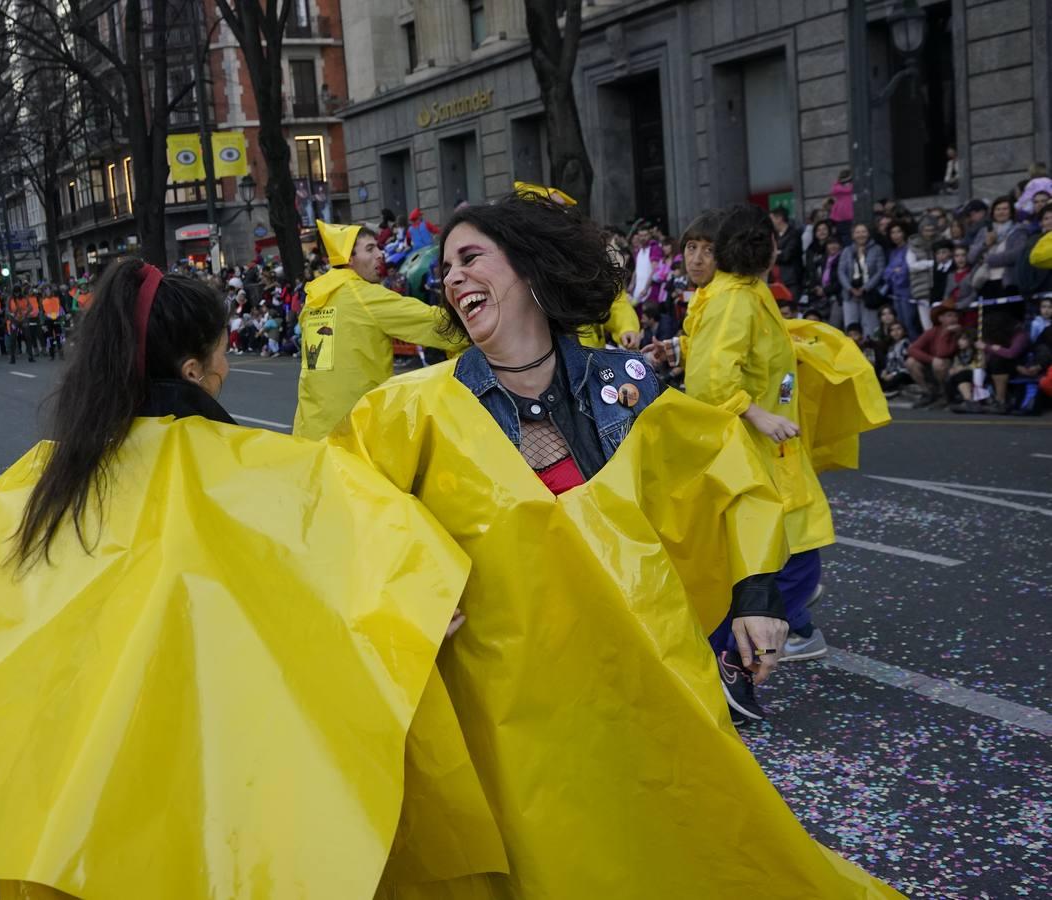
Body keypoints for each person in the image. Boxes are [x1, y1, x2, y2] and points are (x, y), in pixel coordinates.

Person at [0, 258, 475, 900]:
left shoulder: (44, 485)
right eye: (222, 350)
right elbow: (357, 571)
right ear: (192, 370)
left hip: (80, 819)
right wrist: (413, 612)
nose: (228, 365)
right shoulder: (272, 471)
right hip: (220, 796)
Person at [331, 192, 897, 898]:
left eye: (471, 257)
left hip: (642, 678)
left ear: (530, 268)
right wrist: (405, 593)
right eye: (446, 269)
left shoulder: (624, 386)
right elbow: (349, 511)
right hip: (507, 705)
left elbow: (724, 473)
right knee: (545, 859)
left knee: (678, 835)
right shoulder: (408, 408)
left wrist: (758, 596)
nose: (452, 278)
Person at [658, 205, 851, 716]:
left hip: (772, 450)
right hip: (754, 451)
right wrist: (757, 413)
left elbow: (734, 355)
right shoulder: (734, 298)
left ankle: (736, 649)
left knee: (778, 557)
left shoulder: (740, 292)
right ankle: (729, 658)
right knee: (791, 562)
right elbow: (712, 381)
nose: (696, 257)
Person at [292, 220, 464, 440]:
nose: (380, 254)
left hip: (310, 431)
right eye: (370, 248)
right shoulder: (363, 296)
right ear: (349, 259)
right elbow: (434, 323)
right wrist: (481, 325)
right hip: (354, 430)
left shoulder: (314, 300)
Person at [906, 303, 962, 407]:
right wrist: (931, 359)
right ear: (940, 318)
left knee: (939, 364)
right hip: (933, 365)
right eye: (949, 315)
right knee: (911, 362)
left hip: (952, 365)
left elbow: (943, 353)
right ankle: (928, 392)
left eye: (955, 316)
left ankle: (944, 395)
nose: (953, 319)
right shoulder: (932, 331)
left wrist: (946, 333)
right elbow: (912, 349)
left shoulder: (958, 333)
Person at [840, 222, 886, 334]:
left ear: (868, 233)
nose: (861, 235)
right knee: (851, 326)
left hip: (869, 293)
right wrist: (850, 288)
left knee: (870, 327)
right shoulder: (847, 251)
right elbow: (841, 271)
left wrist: (865, 288)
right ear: (853, 235)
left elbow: (880, 270)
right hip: (850, 294)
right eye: (857, 232)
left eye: (863, 232)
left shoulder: (877, 249)